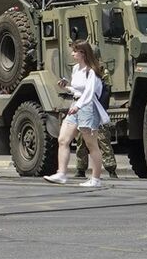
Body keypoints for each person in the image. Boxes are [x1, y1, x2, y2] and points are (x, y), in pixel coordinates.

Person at [44, 40, 110, 187]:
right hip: (76, 104)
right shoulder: (75, 69)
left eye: (75, 51)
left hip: (87, 107)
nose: (72, 53)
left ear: (83, 53)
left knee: (91, 144)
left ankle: (96, 179)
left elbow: (89, 92)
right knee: (63, 139)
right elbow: (78, 90)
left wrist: (78, 106)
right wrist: (67, 87)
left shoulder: (91, 71)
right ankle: (61, 173)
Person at [75, 67, 117, 178]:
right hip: (84, 110)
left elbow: (106, 91)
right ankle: (80, 169)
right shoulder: (81, 71)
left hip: (96, 109)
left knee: (103, 140)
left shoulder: (102, 71)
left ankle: (111, 169)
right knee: (81, 141)